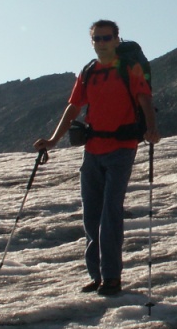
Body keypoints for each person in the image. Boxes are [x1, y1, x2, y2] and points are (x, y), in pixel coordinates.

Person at [35, 20, 160, 296]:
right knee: (91, 216)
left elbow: (145, 99)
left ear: (117, 40)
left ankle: (112, 278)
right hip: (92, 151)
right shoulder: (89, 72)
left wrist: (151, 128)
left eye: (107, 38)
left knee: (110, 214)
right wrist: (53, 140)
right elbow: (73, 108)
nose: (102, 43)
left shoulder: (129, 68)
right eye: (97, 39)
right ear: (92, 42)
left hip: (121, 149)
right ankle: (97, 275)